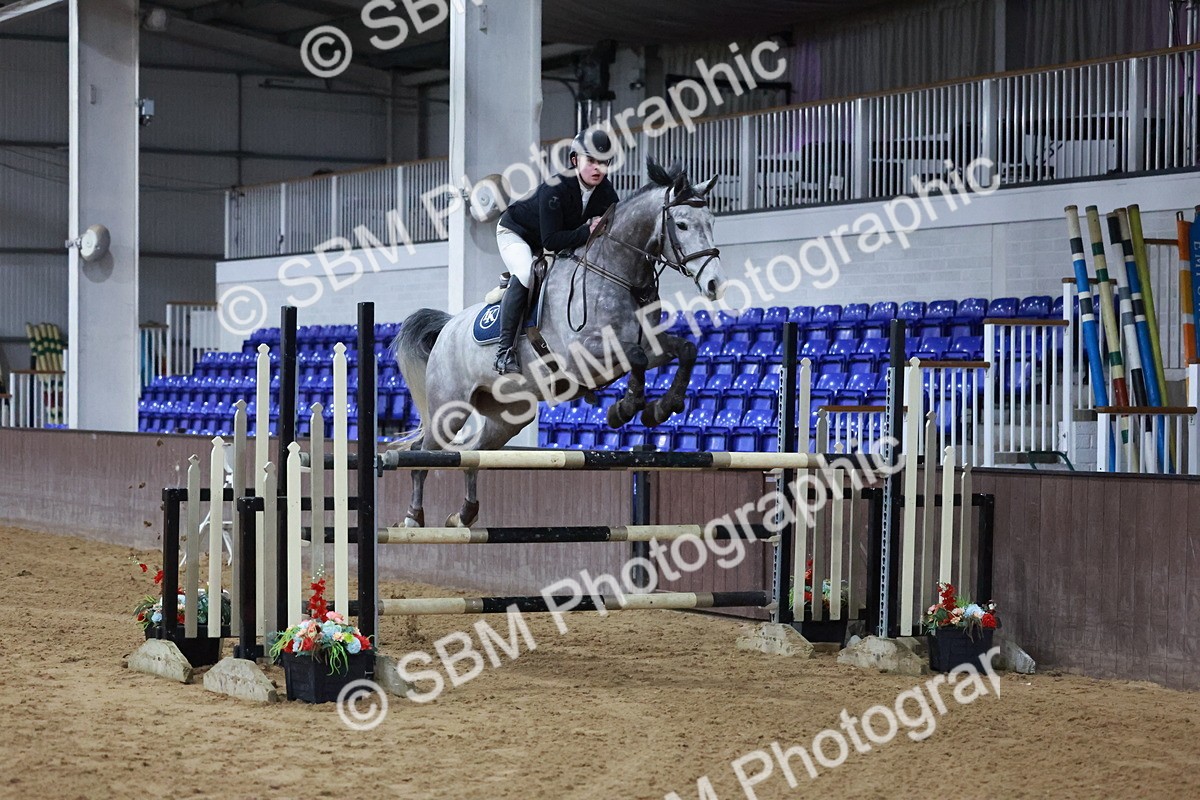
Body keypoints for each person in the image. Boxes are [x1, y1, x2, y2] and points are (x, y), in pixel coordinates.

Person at [491, 127, 620, 374]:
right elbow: (551, 241)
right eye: (591, 161)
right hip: (516, 233)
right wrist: (587, 231)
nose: (598, 168)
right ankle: (504, 352)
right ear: (575, 160)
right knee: (526, 273)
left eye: (604, 162)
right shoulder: (556, 188)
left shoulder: (606, 193)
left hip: (550, 238)